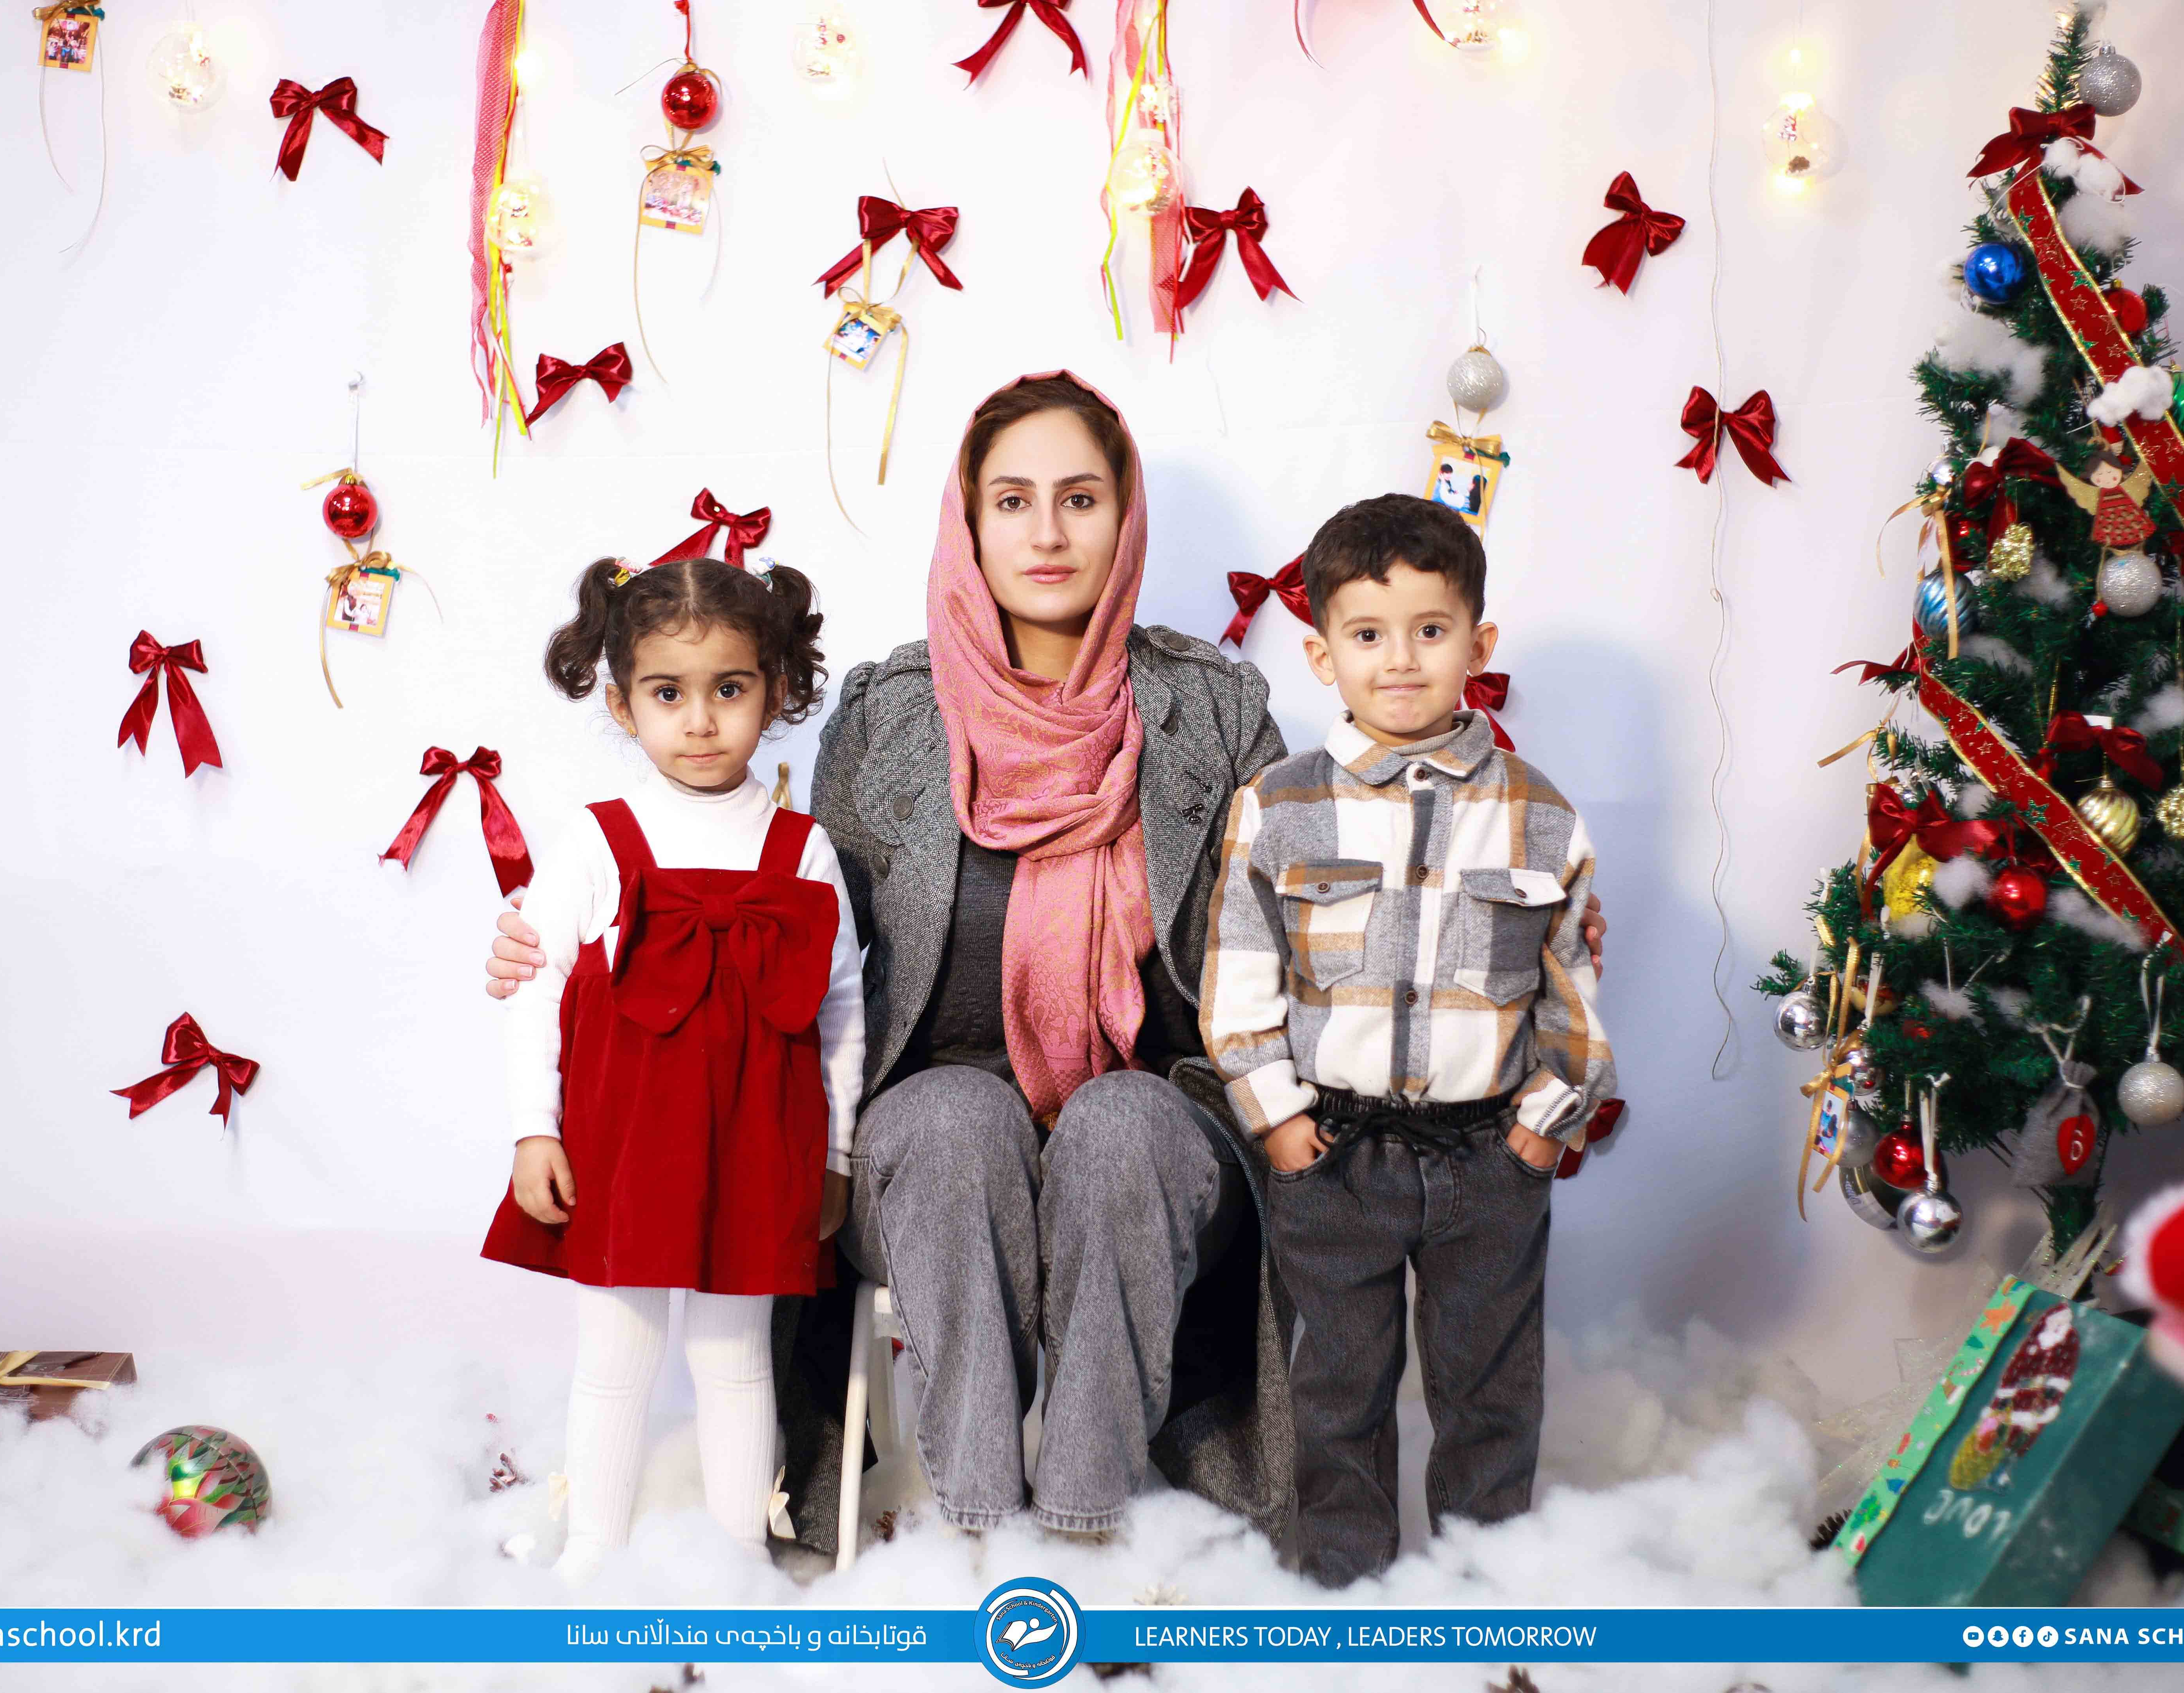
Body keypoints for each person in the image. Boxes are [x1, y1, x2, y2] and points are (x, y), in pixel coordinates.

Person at [487, 373, 1608, 1556]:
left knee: (1120, 1126)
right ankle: (982, 1527)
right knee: (950, 1121)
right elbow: (793, 939)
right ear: (970, 523)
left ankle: (1080, 1521)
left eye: (1080, 499)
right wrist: (558, 940)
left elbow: (1304, 896)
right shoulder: (888, 711)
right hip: (928, 1132)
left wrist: (1515, 934)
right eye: (1013, 501)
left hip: (1159, 1121)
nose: (1048, 533)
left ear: (1124, 516)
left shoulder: (1212, 705)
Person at [1202, 493, 1617, 1586]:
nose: (1399, 660)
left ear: (1479, 645)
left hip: (1491, 1158)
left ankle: (1485, 1589)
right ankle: (1350, 1590)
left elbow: (1572, 987)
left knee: (1491, 1387)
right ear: (1321, 654)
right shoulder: (1278, 806)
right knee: (1339, 1387)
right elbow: (1240, 976)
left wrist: (1544, 1127)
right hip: (1333, 1154)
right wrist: (1276, 1117)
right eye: (1367, 634)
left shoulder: (1541, 814)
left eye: (1431, 630)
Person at [480, 556, 865, 1585]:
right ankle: (593, 1552)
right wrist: (534, 1128)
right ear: (622, 704)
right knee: (617, 1356)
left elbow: (842, 1010)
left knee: (735, 1357)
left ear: (774, 694)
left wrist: (834, 1156)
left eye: (729, 689)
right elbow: (535, 986)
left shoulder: (804, 848)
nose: (700, 721)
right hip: (625, 1144)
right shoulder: (596, 839)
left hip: (757, 1147)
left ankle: (739, 1557)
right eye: (667, 694)